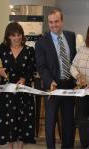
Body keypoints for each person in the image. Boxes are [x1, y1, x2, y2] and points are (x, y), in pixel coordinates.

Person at [0, 22, 36, 149]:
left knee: (23, 121)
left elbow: (32, 69)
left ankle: (20, 147)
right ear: (8, 37)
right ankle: (10, 147)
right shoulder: (2, 49)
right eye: (13, 35)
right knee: (8, 122)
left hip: (24, 92)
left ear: (22, 35)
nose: (17, 38)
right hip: (6, 93)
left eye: (19, 35)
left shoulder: (29, 50)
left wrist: (24, 79)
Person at [35, 8, 76, 148]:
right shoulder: (41, 42)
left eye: (56, 21)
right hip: (52, 86)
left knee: (69, 122)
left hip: (69, 86)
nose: (53, 25)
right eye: (50, 22)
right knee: (50, 122)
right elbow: (41, 67)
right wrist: (50, 81)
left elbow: (74, 61)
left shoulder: (71, 36)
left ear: (62, 21)